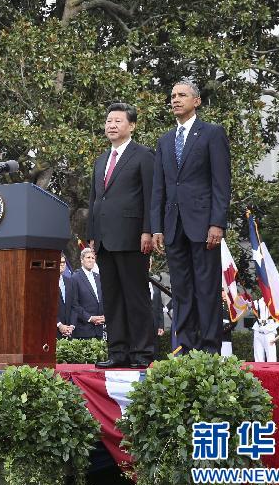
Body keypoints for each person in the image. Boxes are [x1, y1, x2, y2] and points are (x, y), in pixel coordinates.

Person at [151, 79, 231, 354]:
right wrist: (157, 227)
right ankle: (185, 346)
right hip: (173, 226)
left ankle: (209, 348)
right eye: (172, 95)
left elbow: (221, 183)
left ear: (196, 101)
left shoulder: (211, 133)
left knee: (207, 289)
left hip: (204, 225)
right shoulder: (164, 140)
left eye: (182, 95)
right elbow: (159, 188)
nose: (175, 99)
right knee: (181, 289)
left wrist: (217, 222)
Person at [88, 102, 155, 369]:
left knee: (135, 297)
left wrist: (149, 230)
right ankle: (118, 352)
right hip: (104, 239)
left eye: (117, 121)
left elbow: (151, 197)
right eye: (108, 121)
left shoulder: (143, 155)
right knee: (112, 298)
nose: (111, 126)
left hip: (132, 237)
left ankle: (142, 353)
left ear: (132, 125)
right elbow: (95, 200)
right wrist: (92, 235)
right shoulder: (101, 159)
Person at [69, 248, 105, 340]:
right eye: (88, 257)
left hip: (100, 329)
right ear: (82, 260)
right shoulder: (75, 278)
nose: (91, 260)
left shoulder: (98, 277)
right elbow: (74, 304)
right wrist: (90, 318)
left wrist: (104, 317)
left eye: (93, 258)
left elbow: (102, 299)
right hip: (84, 329)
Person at [56, 255, 75, 339]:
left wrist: (71, 326)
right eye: (59, 262)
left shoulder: (70, 281)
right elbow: (45, 307)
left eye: (63, 262)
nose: (62, 264)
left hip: (69, 332)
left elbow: (75, 305)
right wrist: (59, 325)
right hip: (53, 331)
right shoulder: (46, 282)